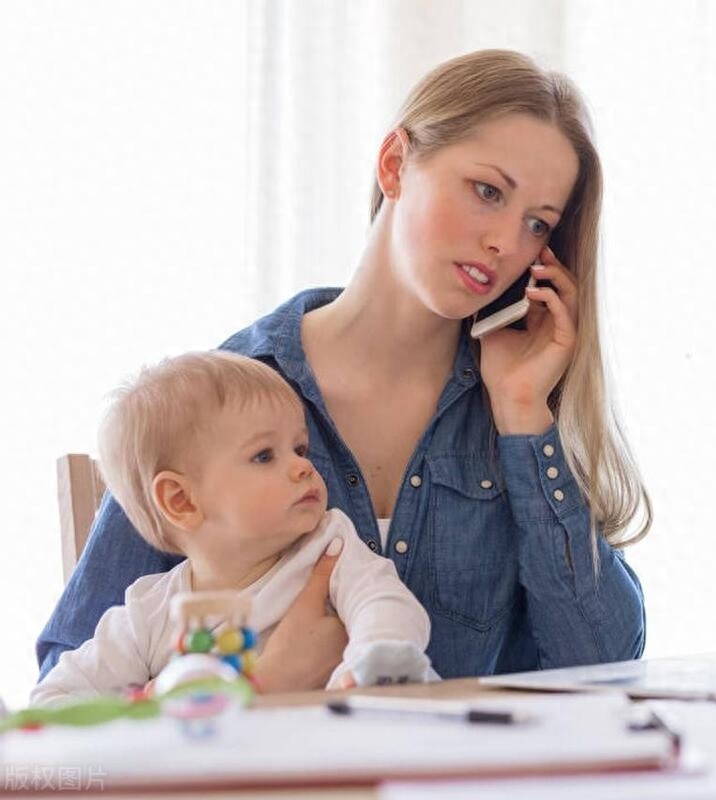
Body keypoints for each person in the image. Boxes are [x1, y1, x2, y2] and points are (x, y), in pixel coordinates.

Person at [37, 49, 650, 691]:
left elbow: (607, 668)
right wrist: (263, 689)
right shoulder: (226, 395)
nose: (505, 242)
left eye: (537, 224)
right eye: (487, 191)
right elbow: (62, 691)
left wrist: (525, 416)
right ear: (395, 164)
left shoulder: (515, 415)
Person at [32, 352, 432, 707]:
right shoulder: (148, 612)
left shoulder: (328, 546)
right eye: (264, 456)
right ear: (181, 501)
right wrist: (152, 702)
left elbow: (386, 603)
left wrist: (369, 663)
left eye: (299, 448)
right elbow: (52, 700)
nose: (304, 467)